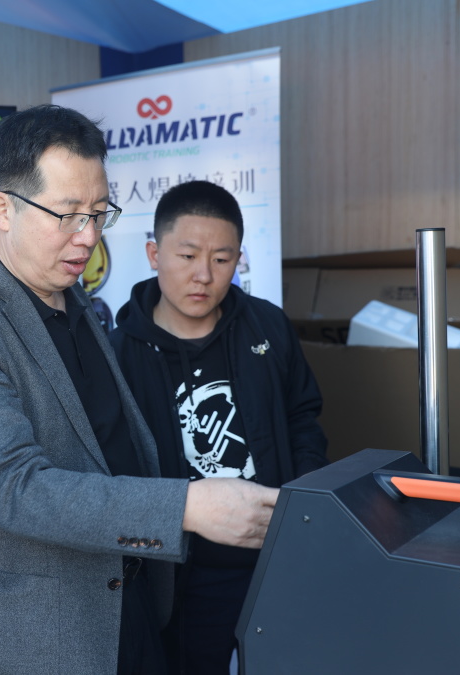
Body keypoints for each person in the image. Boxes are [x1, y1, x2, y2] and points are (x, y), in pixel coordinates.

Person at [0, 105, 280, 674]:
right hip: (39, 639)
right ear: (2, 209)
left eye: (99, 213)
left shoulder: (72, 294)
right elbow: (15, 488)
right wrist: (187, 506)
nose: (88, 237)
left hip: (130, 603)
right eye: (67, 215)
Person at [108, 180, 329, 674]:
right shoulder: (118, 355)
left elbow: (303, 417)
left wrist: (302, 505)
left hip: (276, 558)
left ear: (238, 259)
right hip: (181, 577)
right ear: (154, 254)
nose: (203, 275)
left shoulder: (267, 326)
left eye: (222, 259)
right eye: (187, 256)